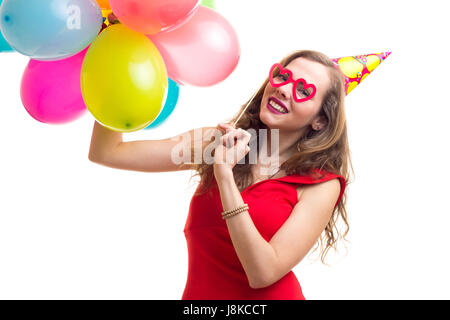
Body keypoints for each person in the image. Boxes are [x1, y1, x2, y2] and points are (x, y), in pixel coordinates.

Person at [88, 49, 352, 300]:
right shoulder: (218, 142)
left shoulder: (320, 185)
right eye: (283, 76)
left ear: (320, 121)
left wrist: (224, 174)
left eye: (304, 90)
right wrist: (114, 72)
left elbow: (263, 273)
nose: (283, 89)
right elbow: (108, 152)